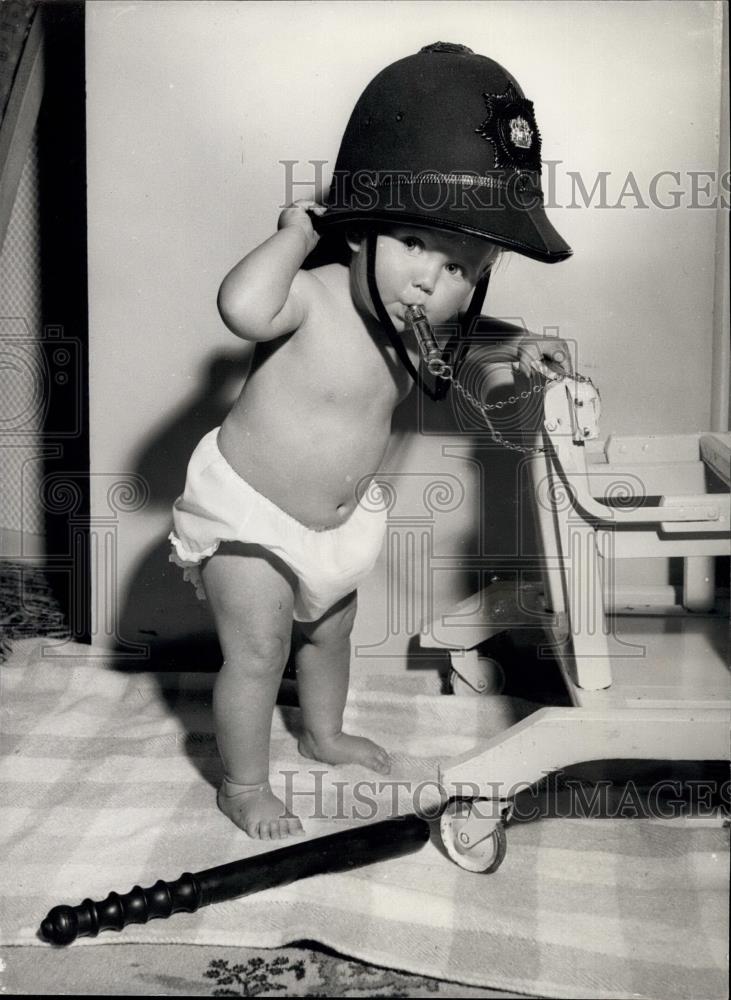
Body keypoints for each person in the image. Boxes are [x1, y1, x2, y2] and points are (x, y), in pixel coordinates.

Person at [168, 42, 572, 840]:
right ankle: (243, 784)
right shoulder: (310, 300)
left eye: (460, 266)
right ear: (357, 233)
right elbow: (243, 310)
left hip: (335, 524)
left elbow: (466, 338)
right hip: (250, 513)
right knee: (258, 650)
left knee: (332, 632)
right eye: (414, 245)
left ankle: (321, 734)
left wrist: (517, 340)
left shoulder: (421, 322)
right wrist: (293, 232)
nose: (430, 281)